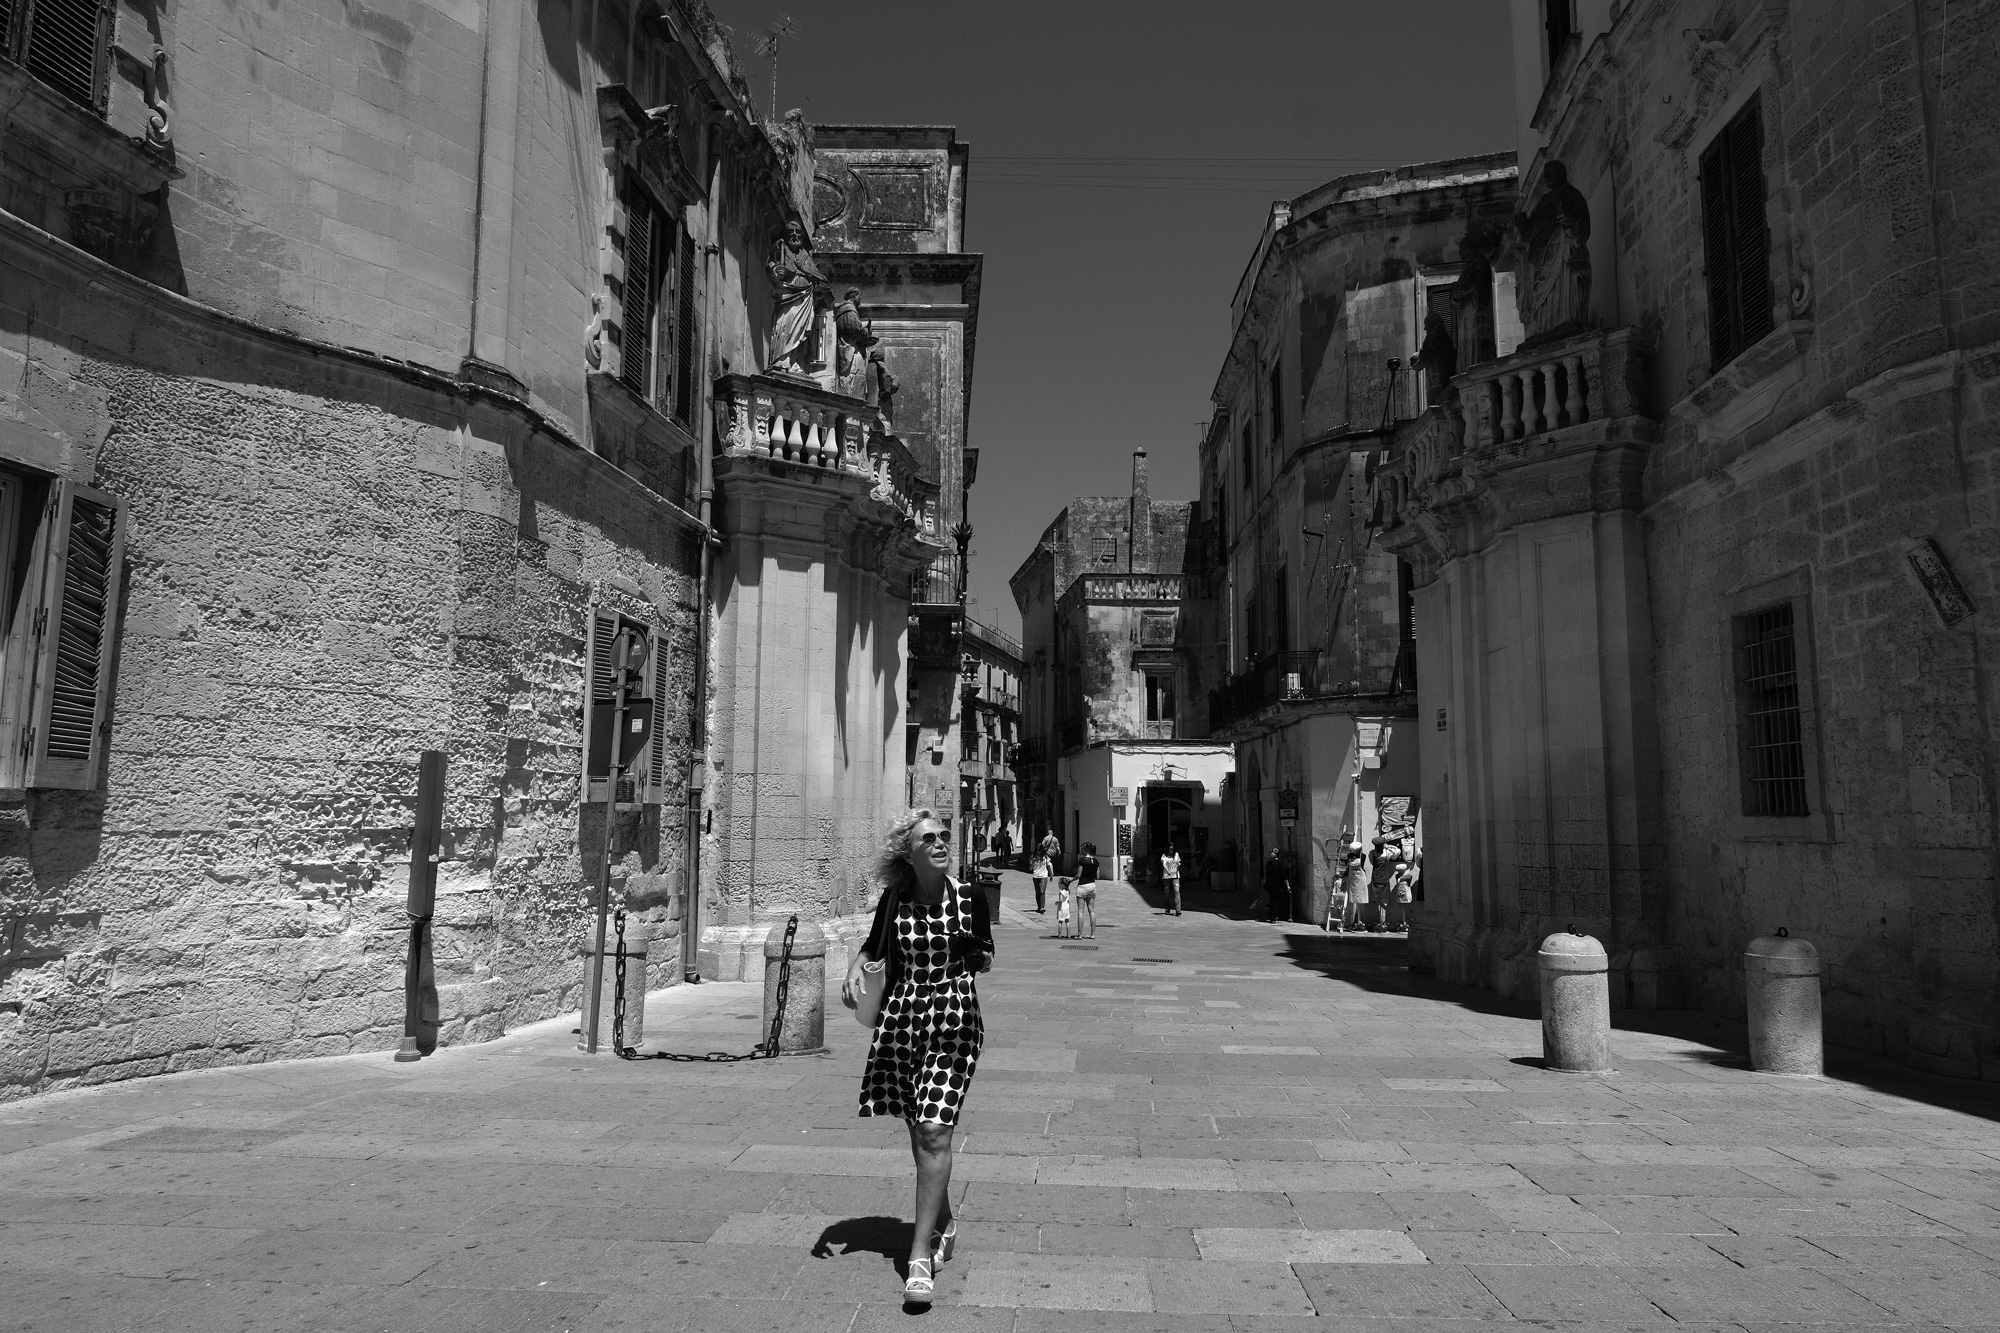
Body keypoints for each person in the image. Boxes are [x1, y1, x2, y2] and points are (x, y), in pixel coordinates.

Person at [842, 808, 993, 1306]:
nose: (941, 843)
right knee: (918, 1130)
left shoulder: (970, 897)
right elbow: (872, 947)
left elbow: (986, 955)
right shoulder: (894, 899)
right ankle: (944, 1222)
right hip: (903, 1021)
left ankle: (919, 1254)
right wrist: (855, 968)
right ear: (907, 853)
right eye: (929, 838)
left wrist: (976, 955)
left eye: (944, 836)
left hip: (954, 1021)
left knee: (933, 1129)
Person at [1340, 841, 1369, 932]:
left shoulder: (1363, 856)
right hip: (1352, 879)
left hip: (1360, 879)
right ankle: (1357, 922)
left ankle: (1359, 922)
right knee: (1353, 898)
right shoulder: (1349, 856)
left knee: (1359, 897)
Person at [1073, 842, 1099, 939]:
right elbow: (1098, 876)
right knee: (1091, 910)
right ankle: (1093, 934)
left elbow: (1078, 875)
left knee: (1081, 910)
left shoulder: (1082, 860)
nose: (1081, 851)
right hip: (1092, 885)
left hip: (1082, 885)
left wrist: (1071, 880)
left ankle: (1079, 934)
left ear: (1085, 850)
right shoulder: (1096, 861)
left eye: (1082, 849)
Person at [1030, 832, 1056, 913]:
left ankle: (1042, 907)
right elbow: (1030, 868)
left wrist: (1051, 874)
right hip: (1035, 875)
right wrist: (1032, 862)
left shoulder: (1045, 857)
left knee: (1042, 891)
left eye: (1040, 850)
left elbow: (1048, 865)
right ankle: (1039, 907)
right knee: (1037, 892)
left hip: (1044, 875)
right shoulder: (1033, 857)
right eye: (1038, 850)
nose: (1039, 852)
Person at [1159, 845, 1183, 917]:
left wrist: (1178, 866)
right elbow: (1164, 864)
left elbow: (1178, 863)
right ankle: (1167, 909)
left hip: (1175, 876)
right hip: (1167, 876)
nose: (1171, 851)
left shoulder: (1176, 855)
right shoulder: (1164, 856)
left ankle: (1178, 910)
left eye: (1172, 849)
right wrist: (1168, 870)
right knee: (1167, 892)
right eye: (1170, 849)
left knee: (1177, 891)